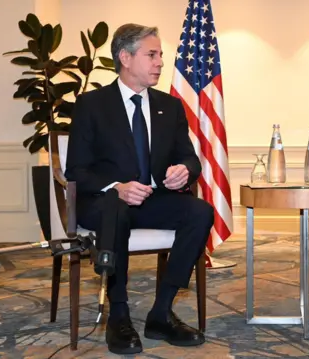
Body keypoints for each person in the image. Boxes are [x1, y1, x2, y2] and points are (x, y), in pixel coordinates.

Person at [65, 23, 213, 355]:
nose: (160, 61)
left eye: (160, 54)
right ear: (126, 58)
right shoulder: (92, 105)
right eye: (152, 54)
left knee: (200, 212)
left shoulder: (169, 106)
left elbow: (190, 158)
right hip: (104, 203)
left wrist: (183, 171)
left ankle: (161, 310)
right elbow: (76, 171)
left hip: (151, 199)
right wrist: (117, 187)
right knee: (115, 208)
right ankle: (118, 315)